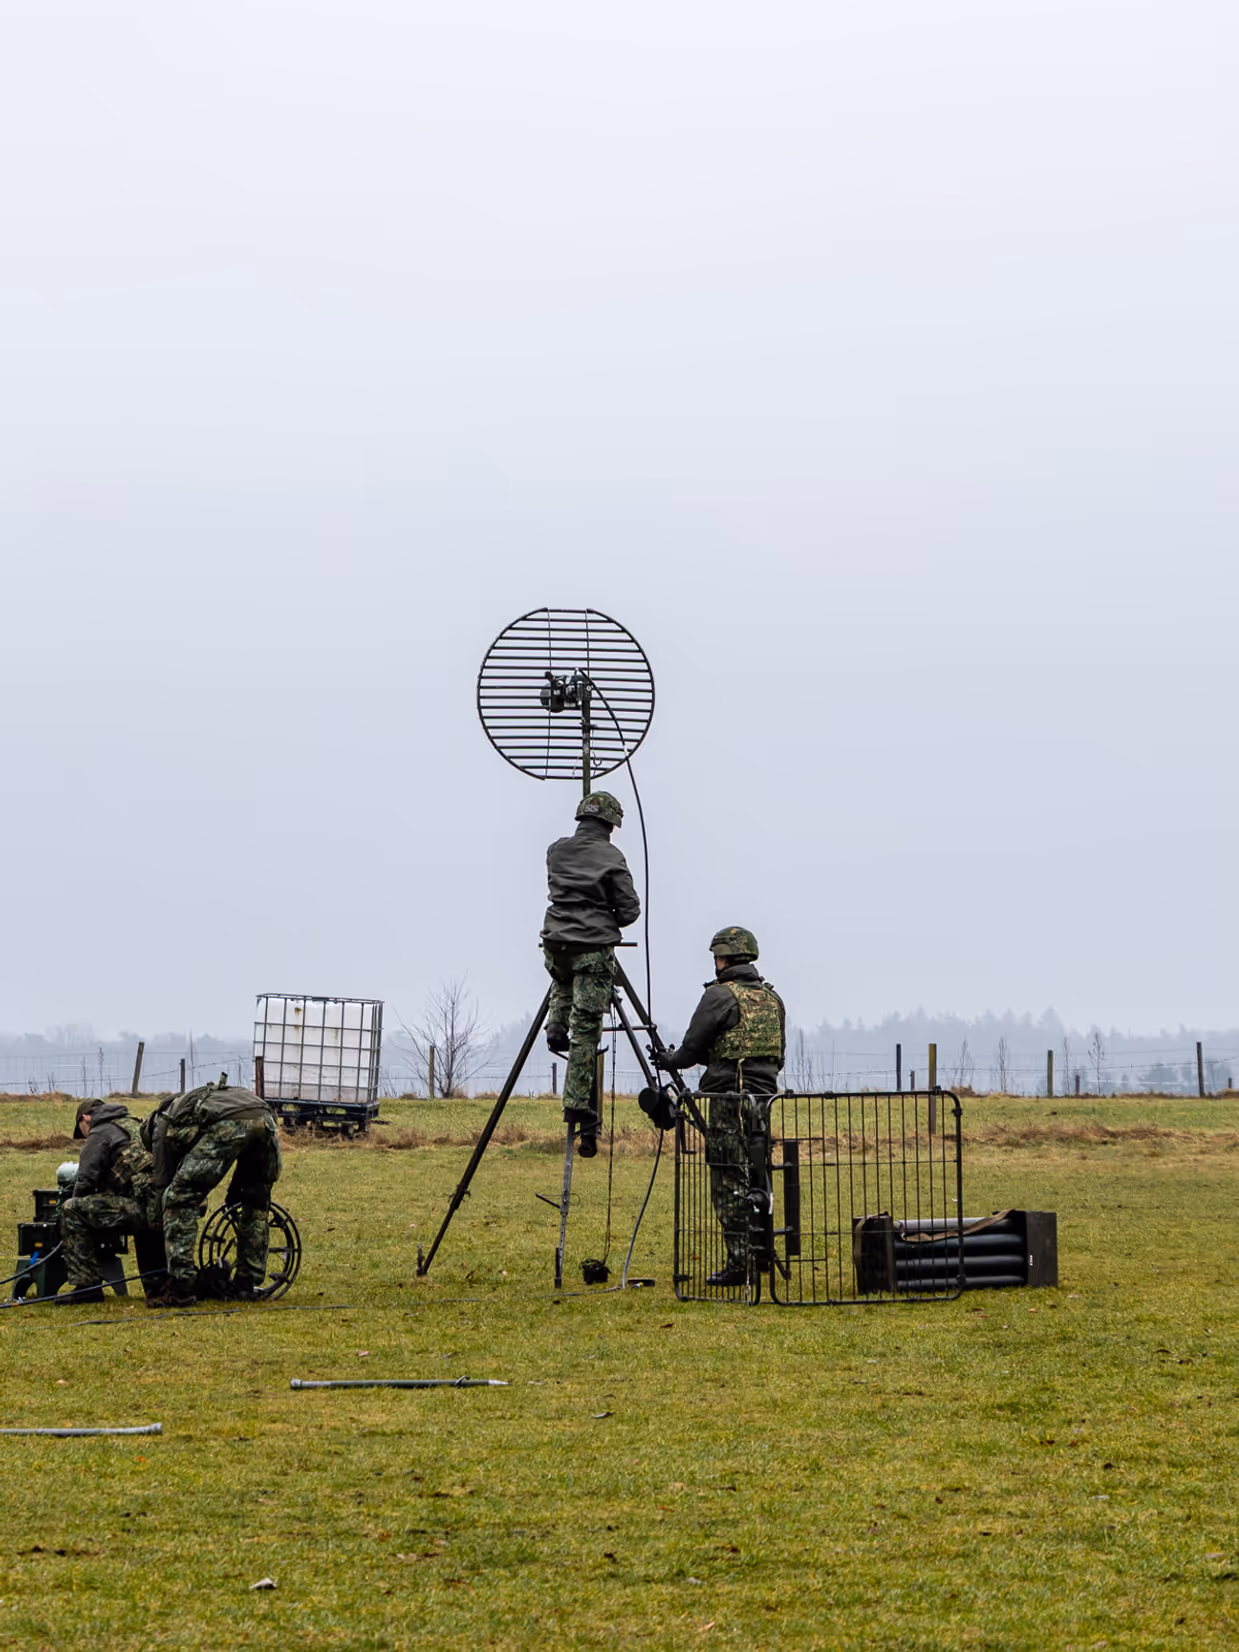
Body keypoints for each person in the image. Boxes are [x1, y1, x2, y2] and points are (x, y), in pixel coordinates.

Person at [655, 926, 786, 1287]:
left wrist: (668, 1060)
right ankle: (762, 1253)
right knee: (759, 1175)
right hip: (763, 1100)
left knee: (728, 1177)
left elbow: (690, 1050)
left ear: (723, 959)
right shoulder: (772, 999)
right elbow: (777, 1055)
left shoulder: (718, 996)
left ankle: (740, 1262)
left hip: (728, 1099)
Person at [541, 790, 641, 1156]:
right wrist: (603, 913)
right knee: (585, 1028)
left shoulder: (556, 850)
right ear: (611, 824)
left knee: (563, 979)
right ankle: (577, 1104)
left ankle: (555, 1024)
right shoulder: (612, 857)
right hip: (592, 949)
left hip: (555, 943)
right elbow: (629, 911)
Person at [143, 1077, 282, 1308]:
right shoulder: (191, 1107)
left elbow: (164, 1186)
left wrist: (159, 1220)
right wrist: (234, 1192)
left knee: (179, 1200)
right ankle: (246, 1284)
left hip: (230, 1123)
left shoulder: (160, 1127)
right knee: (255, 1204)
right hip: (265, 1119)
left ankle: (181, 1288)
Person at [55, 1098, 165, 1305]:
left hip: (141, 1207)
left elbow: (86, 1180)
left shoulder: (100, 1131)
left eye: (82, 1131)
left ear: (85, 1118)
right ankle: (158, 1286)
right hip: (163, 1204)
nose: (84, 1137)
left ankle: (86, 1287)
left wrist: (69, 1209)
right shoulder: (134, 1124)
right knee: (142, 1214)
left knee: (72, 1210)